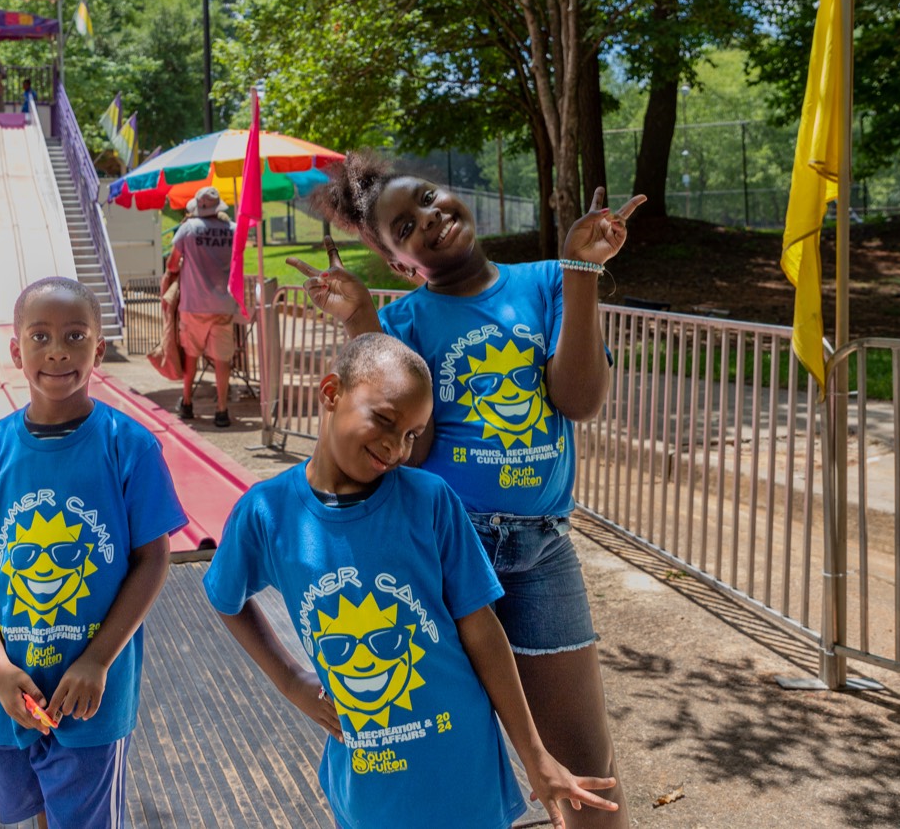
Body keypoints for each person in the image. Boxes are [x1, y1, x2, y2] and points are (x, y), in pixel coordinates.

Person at [286, 150, 645, 828]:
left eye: (427, 197)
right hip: (444, 559)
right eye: (403, 228)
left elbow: (578, 399)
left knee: (586, 775)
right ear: (398, 263)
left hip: (542, 556)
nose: (428, 218)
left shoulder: (547, 282)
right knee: (443, 764)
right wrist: (364, 323)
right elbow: (405, 453)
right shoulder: (405, 326)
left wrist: (584, 272)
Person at [204, 333, 617, 829]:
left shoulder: (431, 500)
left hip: (463, 767)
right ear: (331, 392)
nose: (396, 447)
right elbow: (226, 596)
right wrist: (290, 680)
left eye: (412, 435)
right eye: (384, 420)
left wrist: (534, 753)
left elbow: (482, 630)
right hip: (368, 779)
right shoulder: (266, 513)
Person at [0, 276, 188, 828]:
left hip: (91, 696)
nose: (57, 351)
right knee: (40, 817)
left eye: (75, 336)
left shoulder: (130, 446)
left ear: (99, 347)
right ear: (17, 349)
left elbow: (153, 558)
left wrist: (98, 659)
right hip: (12, 697)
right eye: (41, 336)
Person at [164, 185, 239, 427]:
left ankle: (186, 402)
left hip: (193, 304)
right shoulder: (233, 230)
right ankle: (222, 409)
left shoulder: (188, 229)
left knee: (191, 354)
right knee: (222, 359)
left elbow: (173, 264)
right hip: (223, 305)